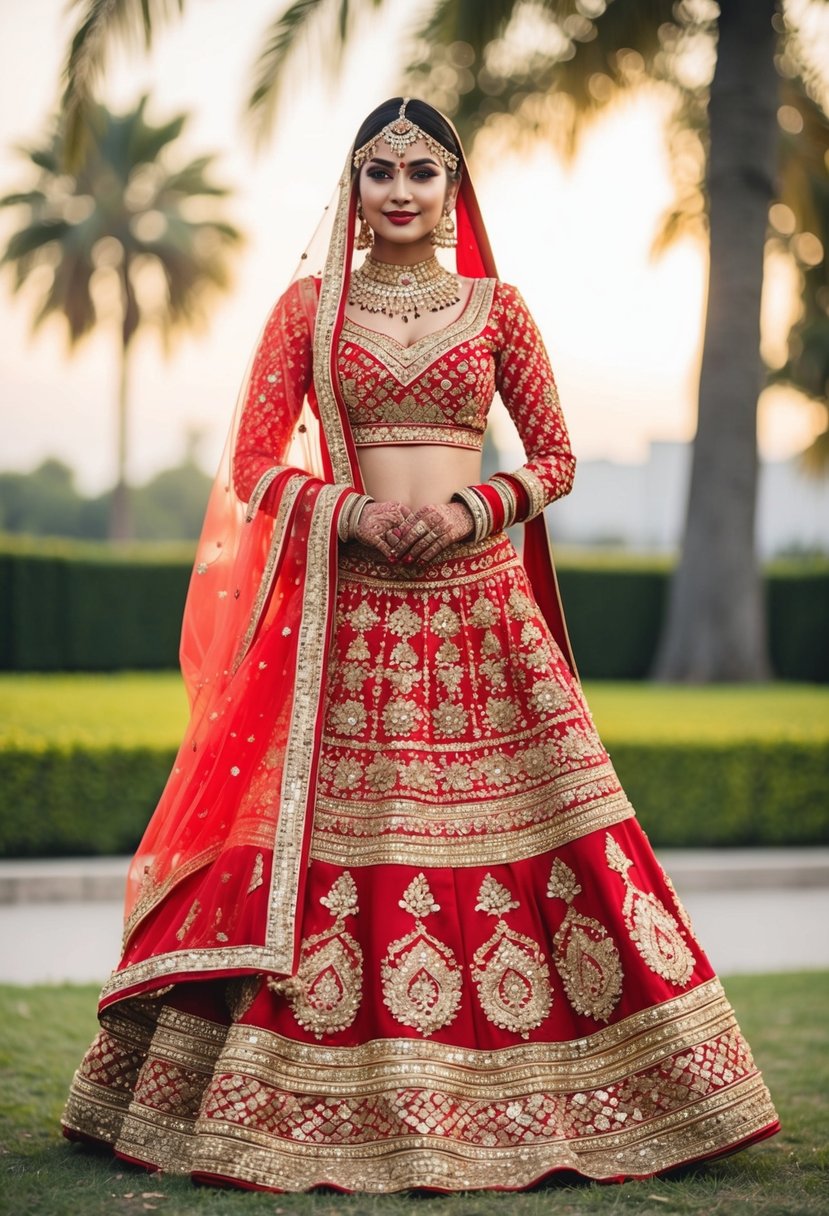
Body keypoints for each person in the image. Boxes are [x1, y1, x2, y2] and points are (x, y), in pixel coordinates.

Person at [63, 97, 779, 1193]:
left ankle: (611, 1090)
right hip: (347, 624)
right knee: (340, 837)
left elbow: (555, 455)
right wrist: (346, 513)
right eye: (379, 172)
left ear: (453, 190)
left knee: (555, 837)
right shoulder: (308, 308)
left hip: (482, 616)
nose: (399, 191)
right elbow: (255, 462)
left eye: (421, 172)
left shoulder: (497, 308)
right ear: (351, 191)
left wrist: (469, 513)